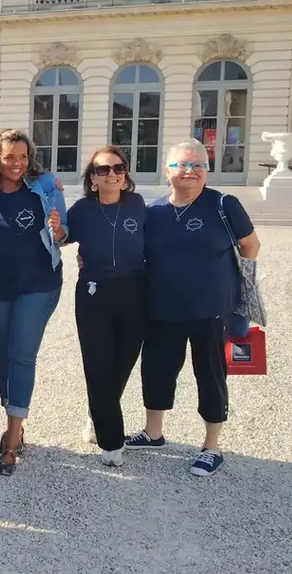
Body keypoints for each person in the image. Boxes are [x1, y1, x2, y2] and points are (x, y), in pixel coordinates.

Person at [125, 139, 260, 476]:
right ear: (167, 171)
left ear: (207, 170)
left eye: (198, 165)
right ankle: (154, 432)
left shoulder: (224, 205)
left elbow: (250, 247)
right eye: (183, 165)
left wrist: (226, 285)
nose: (191, 171)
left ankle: (212, 445)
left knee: (211, 375)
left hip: (211, 309)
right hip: (162, 308)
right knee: (156, 370)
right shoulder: (153, 211)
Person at [0, 128, 67, 476]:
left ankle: (11, 438)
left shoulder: (46, 186)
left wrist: (58, 228)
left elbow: (63, 233)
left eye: (23, 156)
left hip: (39, 284)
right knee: (3, 353)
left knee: (23, 354)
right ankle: (15, 417)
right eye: (10, 157)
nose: (17, 163)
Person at [66, 147, 147, 467]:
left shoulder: (138, 205)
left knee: (122, 364)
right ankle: (111, 442)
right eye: (103, 170)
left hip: (134, 292)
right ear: (92, 179)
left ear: (125, 174)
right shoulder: (83, 209)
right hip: (93, 292)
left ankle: (96, 412)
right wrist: (55, 224)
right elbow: (60, 237)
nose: (111, 173)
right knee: (98, 364)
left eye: (118, 167)